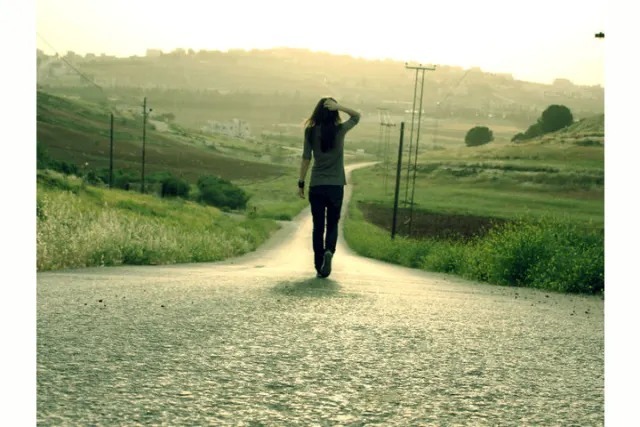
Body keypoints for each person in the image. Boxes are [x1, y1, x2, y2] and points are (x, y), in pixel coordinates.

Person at [297, 97, 361, 278]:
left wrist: (301, 182)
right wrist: (339, 106)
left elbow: (306, 158)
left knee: (318, 226)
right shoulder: (340, 130)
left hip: (317, 185)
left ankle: (319, 266)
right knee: (332, 223)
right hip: (335, 186)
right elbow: (357, 116)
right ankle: (329, 252)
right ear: (334, 112)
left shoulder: (310, 131)